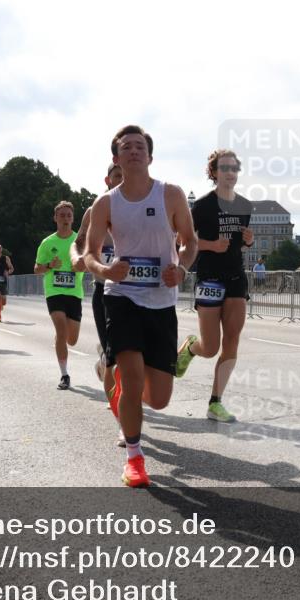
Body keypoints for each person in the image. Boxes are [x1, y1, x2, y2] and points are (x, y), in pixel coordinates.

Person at [82, 124, 198, 487]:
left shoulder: (171, 195)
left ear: (149, 155)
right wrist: (106, 270)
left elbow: (190, 242)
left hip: (161, 303)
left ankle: (127, 391)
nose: (133, 151)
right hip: (123, 299)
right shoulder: (106, 203)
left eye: (139, 147)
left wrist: (181, 268)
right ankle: (134, 458)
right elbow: (89, 254)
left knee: (159, 399)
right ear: (116, 158)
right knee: (132, 384)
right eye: (126, 147)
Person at [174, 149, 254, 423]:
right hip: (209, 278)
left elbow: (239, 242)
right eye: (225, 168)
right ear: (214, 173)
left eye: (234, 168)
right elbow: (181, 241)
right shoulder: (202, 206)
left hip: (235, 278)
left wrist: (249, 240)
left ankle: (215, 402)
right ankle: (189, 348)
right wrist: (209, 245)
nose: (231, 173)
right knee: (210, 347)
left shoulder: (245, 206)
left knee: (232, 341)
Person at [71, 162, 123, 410]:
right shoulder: (95, 210)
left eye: (126, 174)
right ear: (108, 180)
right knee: (115, 357)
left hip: (135, 290)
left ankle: (106, 361)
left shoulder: (146, 206)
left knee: (131, 354)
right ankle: (121, 412)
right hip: (104, 290)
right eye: (117, 175)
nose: (122, 179)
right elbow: (77, 241)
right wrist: (76, 257)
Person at [35, 202, 85, 390]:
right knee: (61, 331)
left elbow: (89, 263)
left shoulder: (79, 241)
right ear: (55, 218)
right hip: (54, 292)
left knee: (71, 340)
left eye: (68, 216)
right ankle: (64, 375)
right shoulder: (47, 243)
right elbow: (36, 269)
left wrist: (79, 266)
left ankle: (60, 341)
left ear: (73, 218)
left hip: (74, 293)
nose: (65, 219)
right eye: (62, 215)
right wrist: (49, 266)